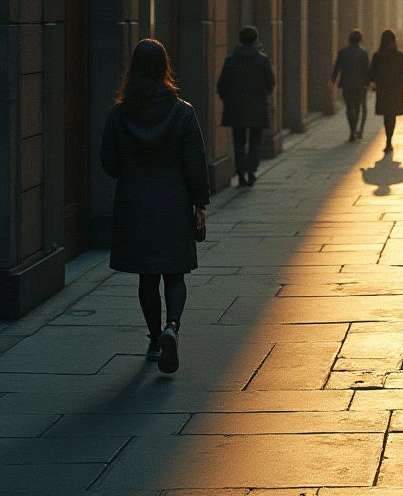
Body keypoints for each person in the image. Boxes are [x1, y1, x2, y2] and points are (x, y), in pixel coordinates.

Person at [100, 38, 210, 374]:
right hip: (174, 203)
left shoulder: (119, 114)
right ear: (165, 68)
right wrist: (199, 203)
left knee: (147, 277)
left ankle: (153, 337)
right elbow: (195, 163)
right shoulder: (182, 112)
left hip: (135, 205)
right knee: (174, 274)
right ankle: (171, 328)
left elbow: (109, 163)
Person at [216, 25, 275, 186]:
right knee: (256, 140)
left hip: (236, 107)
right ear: (256, 39)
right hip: (257, 106)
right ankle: (251, 170)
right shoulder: (262, 60)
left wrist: (227, 99)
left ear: (240, 40)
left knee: (238, 141)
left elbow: (221, 85)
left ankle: (240, 172)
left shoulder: (230, 59)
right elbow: (270, 82)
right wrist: (265, 95)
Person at [369, 28, 403, 151]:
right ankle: (389, 140)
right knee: (392, 115)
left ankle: (388, 139)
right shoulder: (399, 55)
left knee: (386, 115)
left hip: (383, 89)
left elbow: (372, 72)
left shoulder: (377, 55)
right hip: (395, 89)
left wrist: (372, 83)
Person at [330, 29, 371, 141]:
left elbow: (337, 68)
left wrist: (332, 81)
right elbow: (367, 70)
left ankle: (352, 130)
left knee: (349, 107)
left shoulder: (342, 52)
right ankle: (354, 129)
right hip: (359, 85)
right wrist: (369, 83)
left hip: (346, 84)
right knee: (357, 107)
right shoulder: (363, 53)